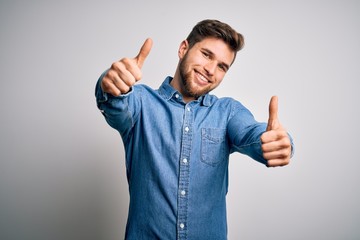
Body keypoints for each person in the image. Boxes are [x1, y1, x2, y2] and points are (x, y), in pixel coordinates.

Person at [95, 19, 294, 240]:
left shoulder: (227, 112)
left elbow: (252, 134)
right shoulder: (141, 102)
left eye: (222, 66)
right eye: (206, 55)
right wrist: (111, 82)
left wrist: (279, 142)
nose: (210, 70)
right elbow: (115, 102)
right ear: (183, 49)